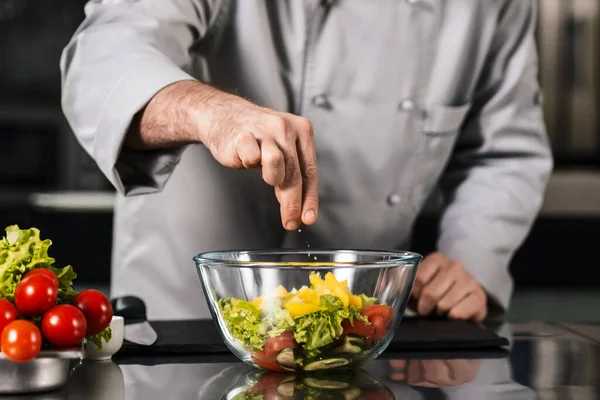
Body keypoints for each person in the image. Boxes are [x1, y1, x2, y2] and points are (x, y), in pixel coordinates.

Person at [60, 0, 552, 321]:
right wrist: (208, 110)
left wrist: (470, 265)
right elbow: (106, 57)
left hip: (361, 330)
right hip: (182, 323)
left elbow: (504, 152)